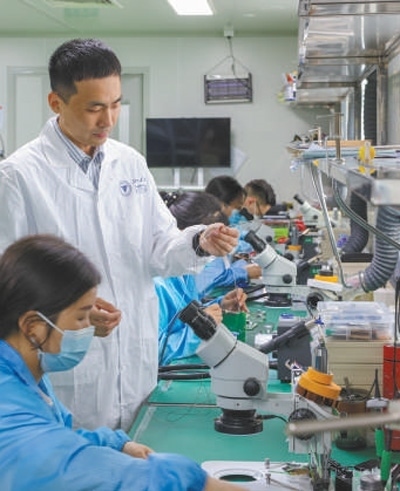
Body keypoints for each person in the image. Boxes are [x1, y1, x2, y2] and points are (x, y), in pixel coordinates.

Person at [0, 38, 239, 432]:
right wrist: (71, 314)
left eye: (115, 104)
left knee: (137, 448)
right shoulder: (19, 175)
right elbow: (9, 286)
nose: (108, 120)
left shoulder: (130, 163)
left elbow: (160, 247)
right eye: (94, 108)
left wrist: (199, 242)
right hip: (70, 375)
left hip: (136, 362)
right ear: (56, 103)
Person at [0, 234, 245, 491]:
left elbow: (55, 434)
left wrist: (117, 444)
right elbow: (66, 466)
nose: (91, 328)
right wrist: (193, 481)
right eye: (82, 318)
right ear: (33, 326)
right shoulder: (7, 400)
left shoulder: (26, 373)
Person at [157, 191, 249, 365]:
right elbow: (152, 351)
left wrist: (220, 305)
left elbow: (187, 313)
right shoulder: (157, 284)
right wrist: (198, 330)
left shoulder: (186, 269)